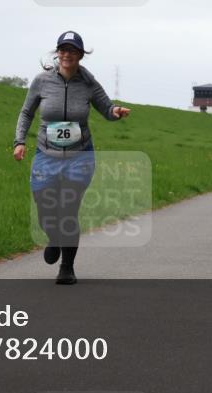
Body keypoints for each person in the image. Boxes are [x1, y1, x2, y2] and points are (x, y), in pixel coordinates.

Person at [13, 31, 130, 285]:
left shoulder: (88, 83)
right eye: (63, 50)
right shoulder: (42, 81)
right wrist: (20, 141)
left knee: (68, 209)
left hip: (80, 156)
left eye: (73, 50)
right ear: (57, 53)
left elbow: (106, 108)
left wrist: (116, 111)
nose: (67, 54)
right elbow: (26, 113)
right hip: (46, 154)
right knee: (46, 209)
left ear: (80, 55)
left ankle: (67, 268)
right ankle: (54, 238)